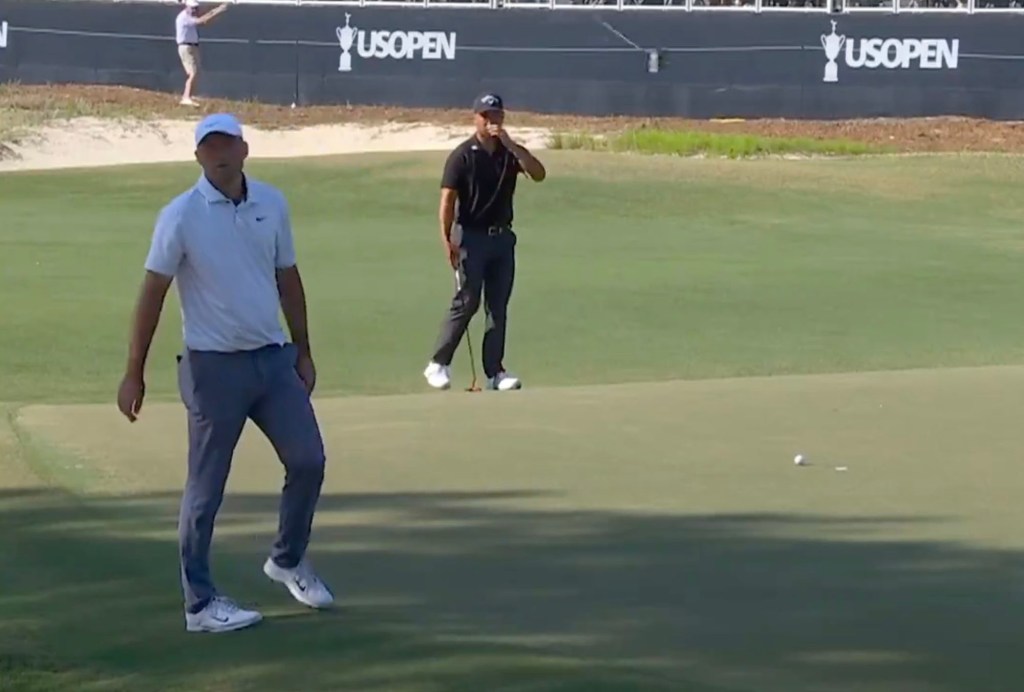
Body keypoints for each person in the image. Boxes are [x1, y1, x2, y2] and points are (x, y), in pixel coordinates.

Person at [116, 112, 334, 633]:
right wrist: (133, 372)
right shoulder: (181, 215)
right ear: (197, 156)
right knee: (206, 487)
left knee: (309, 460)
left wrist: (303, 350)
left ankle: (286, 560)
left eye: (226, 145)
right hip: (212, 367)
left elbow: (289, 278)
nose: (218, 154)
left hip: (273, 359)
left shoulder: (271, 204)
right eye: (208, 147)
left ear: (244, 149)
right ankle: (199, 605)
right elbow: (152, 294)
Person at [423, 92, 546, 391]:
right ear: (475, 118)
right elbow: (447, 200)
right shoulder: (463, 155)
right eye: (486, 116)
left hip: (502, 239)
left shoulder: (509, 154)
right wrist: (446, 239)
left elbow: (539, 174)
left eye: (497, 116)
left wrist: (511, 145)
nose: (492, 121)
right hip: (470, 238)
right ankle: (438, 363)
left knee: (498, 306)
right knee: (467, 301)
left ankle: (495, 372)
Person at [175, 0, 229, 107]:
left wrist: (217, 9)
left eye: (196, 8)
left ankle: (190, 95)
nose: (195, 10)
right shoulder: (184, 18)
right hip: (186, 47)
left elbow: (204, 18)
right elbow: (202, 21)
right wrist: (218, 11)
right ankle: (186, 97)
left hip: (192, 46)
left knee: (196, 72)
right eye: (192, 8)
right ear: (187, 7)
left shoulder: (189, 16)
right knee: (193, 73)